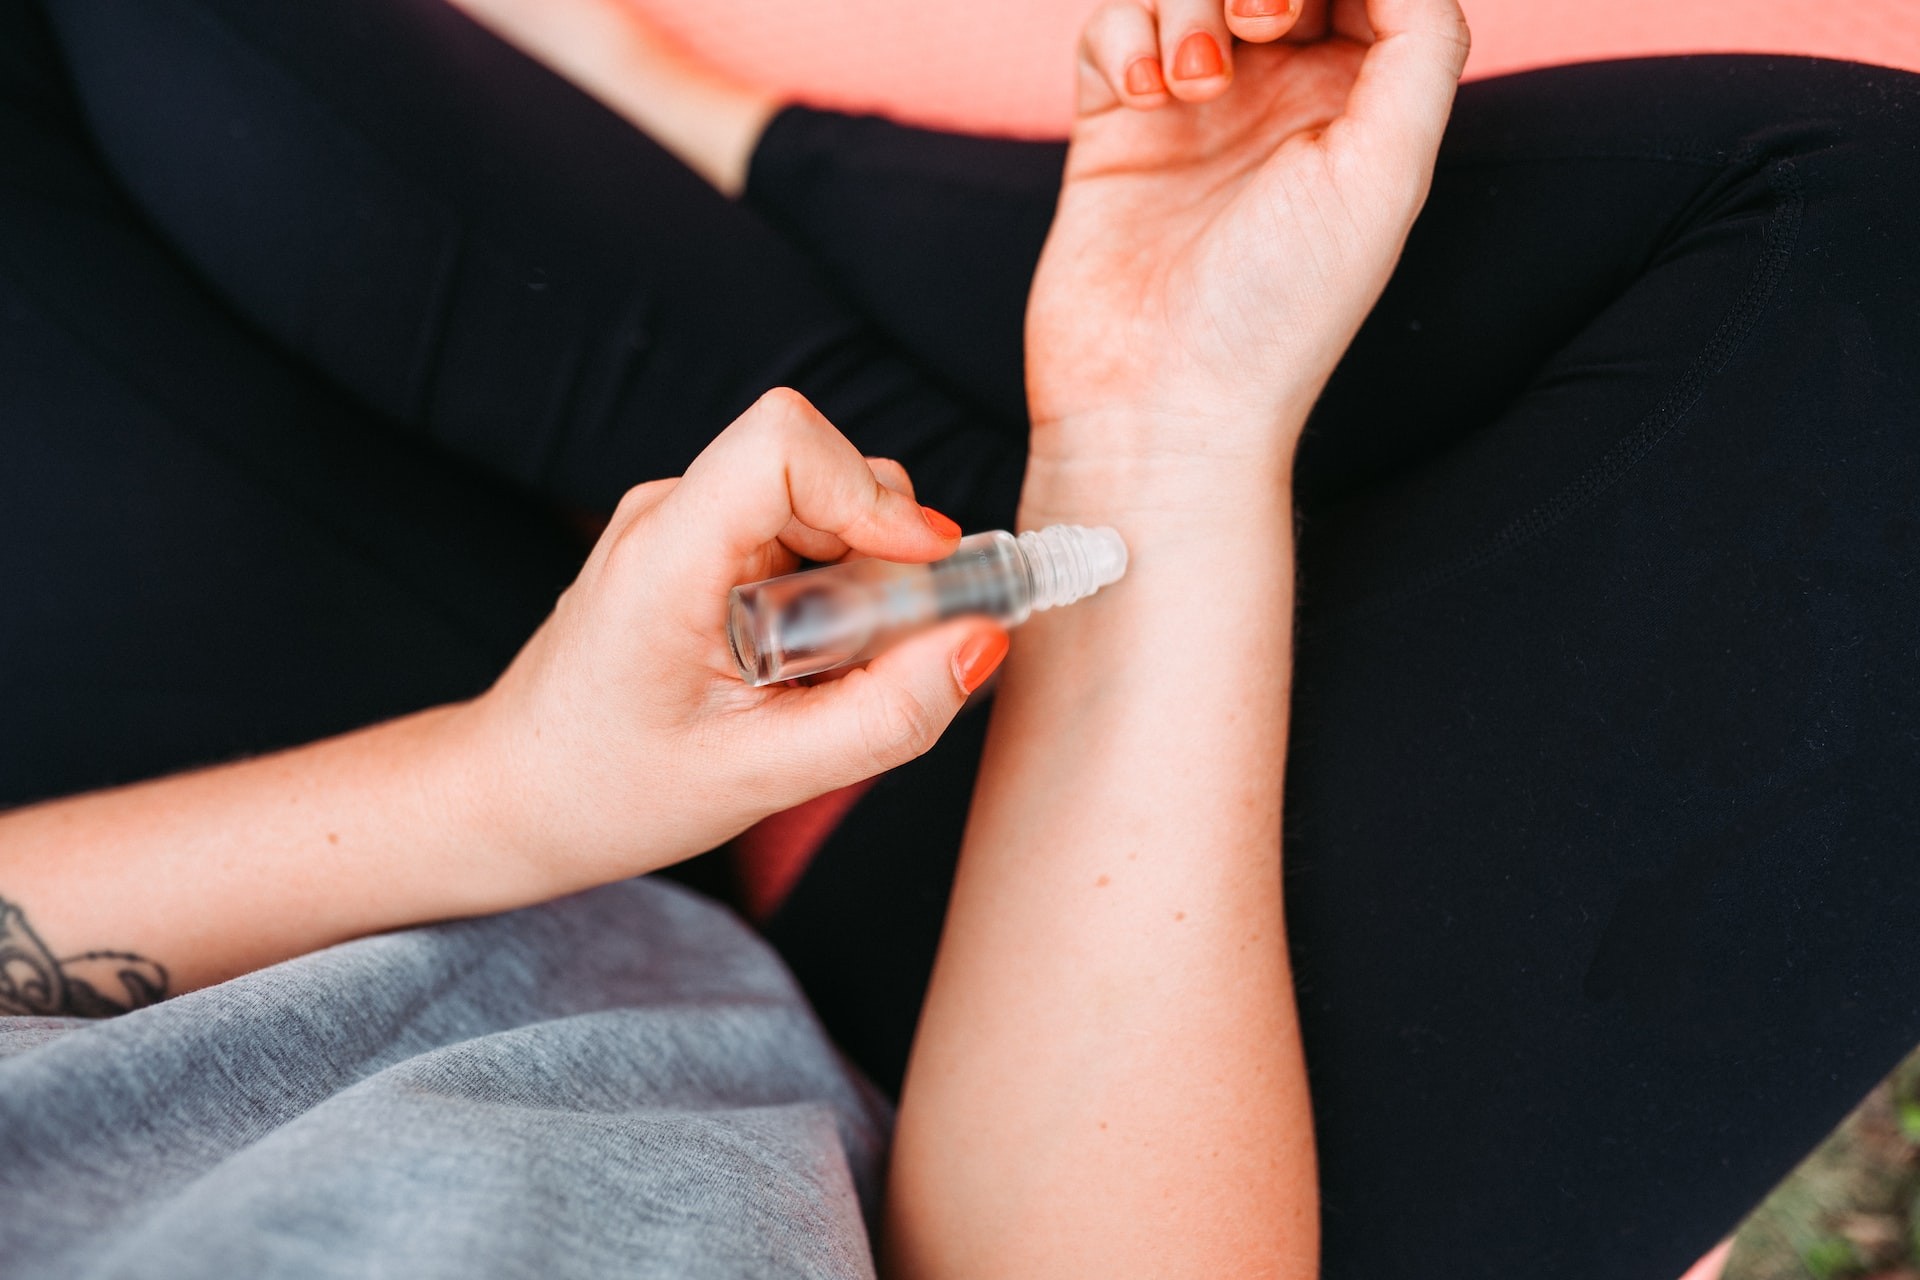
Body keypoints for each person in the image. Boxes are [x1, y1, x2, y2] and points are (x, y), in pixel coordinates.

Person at [0, 0, 1915, 1277]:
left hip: (322, 856)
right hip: (1060, 1154)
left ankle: (766, 190)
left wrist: (513, 787)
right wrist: (1160, 430)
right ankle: (802, 229)